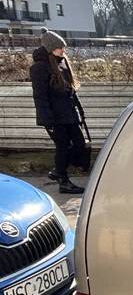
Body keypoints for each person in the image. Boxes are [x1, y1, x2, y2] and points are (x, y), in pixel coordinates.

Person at [30, 30, 85, 194]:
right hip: (55, 117)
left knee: (79, 144)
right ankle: (63, 181)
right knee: (63, 146)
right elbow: (40, 96)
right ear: (50, 48)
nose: (63, 50)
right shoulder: (39, 68)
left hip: (69, 114)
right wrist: (47, 120)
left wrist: (79, 111)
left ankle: (58, 171)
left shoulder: (61, 63)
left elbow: (71, 91)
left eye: (63, 47)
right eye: (59, 47)